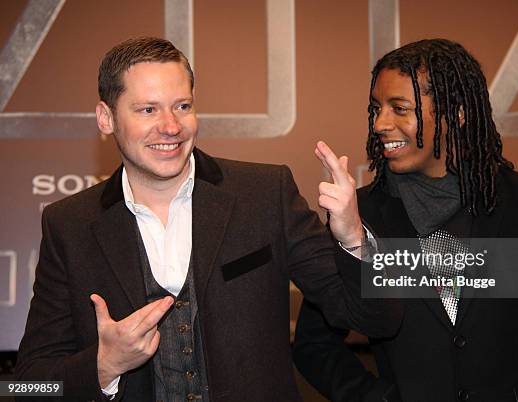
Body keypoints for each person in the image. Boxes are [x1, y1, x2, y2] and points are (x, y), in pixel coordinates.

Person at [15, 37, 400, 402]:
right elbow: (28, 388)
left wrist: (353, 239)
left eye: (182, 106)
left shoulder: (265, 194)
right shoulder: (69, 225)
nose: (171, 126)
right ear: (106, 117)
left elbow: (377, 321)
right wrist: (104, 366)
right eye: (148, 109)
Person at [293, 39, 518, 402]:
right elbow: (315, 345)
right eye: (376, 108)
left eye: (399, 108)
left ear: (456, 112)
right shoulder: (358, 216)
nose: (379, 123)